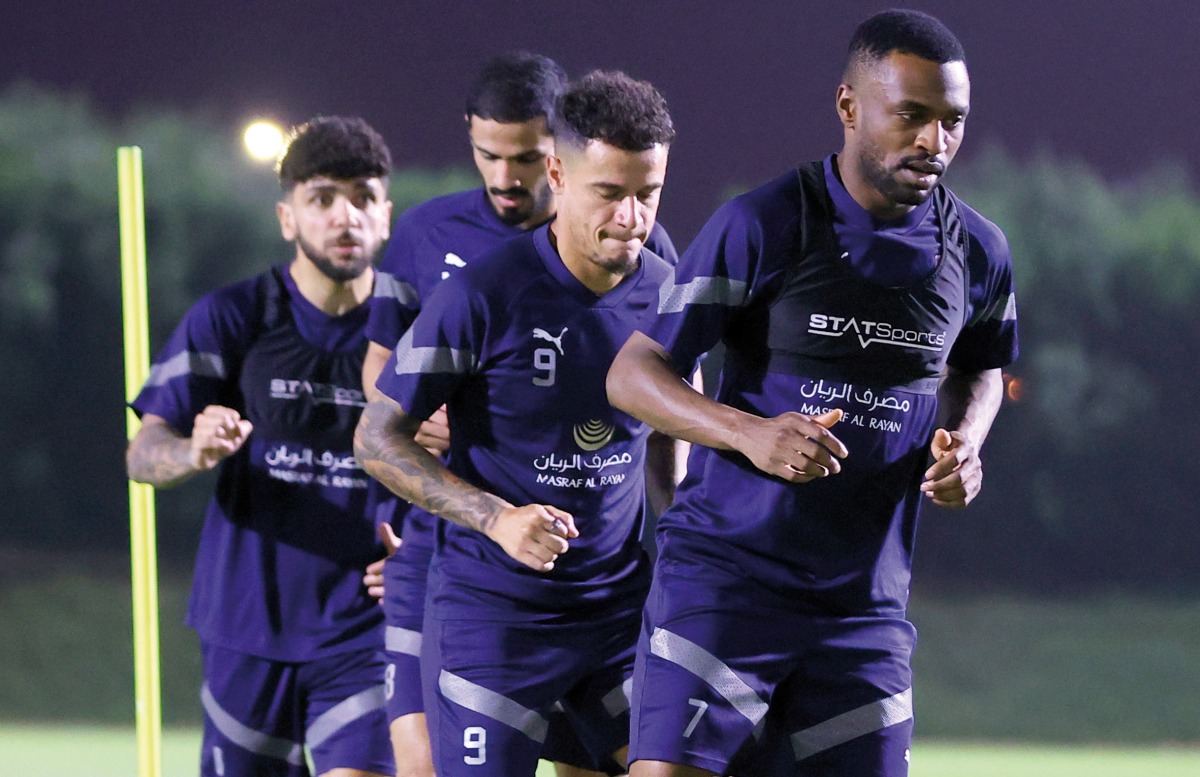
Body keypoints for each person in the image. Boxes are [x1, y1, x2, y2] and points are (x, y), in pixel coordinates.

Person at [606, 9, 1019, 777]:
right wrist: (747, 431)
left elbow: (983, 366)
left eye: (953, 121)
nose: (935, 142)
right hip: (729, 583)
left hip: (863, 607)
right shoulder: (763, 223)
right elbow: (633, 373)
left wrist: (968, 442)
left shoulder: (980, 251)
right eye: (913, 116)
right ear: (849, 106)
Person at [361, 52, 676, 777]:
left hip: (617, 612)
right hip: (495, 615)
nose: (630, 218)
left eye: (647, 193)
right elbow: (377, 435)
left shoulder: (669, 289)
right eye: (609, 192)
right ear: (559, 177)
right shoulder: (482, 291)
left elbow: (669, 425)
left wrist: (682, 536)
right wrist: (496, 516)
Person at [126, 116, 395, 777]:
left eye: (363, 198)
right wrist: (191, 450)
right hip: (247, 624)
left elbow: (474, 459)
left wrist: (430, 547)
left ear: (387, 216)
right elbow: (142, 451)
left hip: (368, 624)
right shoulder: (234, 315)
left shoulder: (420, 325)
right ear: (287, 217)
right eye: (323, 197)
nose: (345, 217)